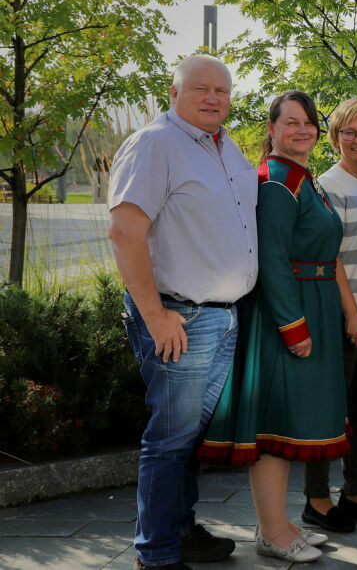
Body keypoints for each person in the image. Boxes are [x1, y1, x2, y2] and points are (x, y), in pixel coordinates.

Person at [108, 55, 257, 570]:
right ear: (174, 93)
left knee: (188, 437)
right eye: (200, 89)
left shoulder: (224, 147)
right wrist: (155, 317)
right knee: (170, 438)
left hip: (220, 316)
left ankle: (180, 529)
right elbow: (126, 232)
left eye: (221, 90)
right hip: (178, 317)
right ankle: (156, 552)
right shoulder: (156, 144)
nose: (213, 98)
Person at [198, 90, 357, 564]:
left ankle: (281, 522)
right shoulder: (275, 180)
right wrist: (293, 325)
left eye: (308, 121)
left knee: (291, 424)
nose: (302, 129)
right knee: (274, 425)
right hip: (287, 314)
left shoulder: (302, 178)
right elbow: (271, 257)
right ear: (271, 129)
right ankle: (271, 530)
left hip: (316, 305)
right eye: (291, 122)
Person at [301, 99, 357, 532]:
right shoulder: (326, 185)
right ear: (335, 137)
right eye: (349, 132)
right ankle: (316, 501)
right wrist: (352, 316)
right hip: (341, 312)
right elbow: (329, 255)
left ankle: (354, 494)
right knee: (329, 407)